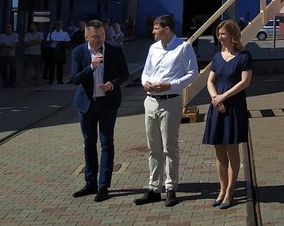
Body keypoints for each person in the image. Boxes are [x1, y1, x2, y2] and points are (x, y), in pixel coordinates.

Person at [134, 14, 198, 208]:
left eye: (156, 28)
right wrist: (146, 82)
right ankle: (154, 187)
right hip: (151, 101)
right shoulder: (153, 48)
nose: (153, 31)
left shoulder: (183, 47)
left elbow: (193, 73)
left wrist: (170, 85)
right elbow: (146, 70)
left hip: (170, 100)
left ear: (167, 29)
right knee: (153, 146)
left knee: (169, 146)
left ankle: (171, 187)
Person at [67, 20, 130, 202]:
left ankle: (103, 186)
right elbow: (74, 79)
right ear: (87, 36)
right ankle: (90, 183)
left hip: (108, 104)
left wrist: (113, 85)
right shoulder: (78, 52)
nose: (99, 39)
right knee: (89, 143)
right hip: (86, 105)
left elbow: (125, 74)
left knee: (106, 143)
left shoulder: (115, 49)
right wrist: (91, 67)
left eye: (102, 35)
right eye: (95, 37)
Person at [202, 20, 253, 209]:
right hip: (217, 106)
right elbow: (210, 81)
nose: (219, 37)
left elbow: (245, 82)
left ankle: (230, 192)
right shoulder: (217, 57)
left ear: (232, 35)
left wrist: (224, 96)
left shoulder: (244, 56)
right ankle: (222, 189)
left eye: (223, 33)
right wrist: (216, 98)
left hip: (234, 106)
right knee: (219, 151)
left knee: (232, 149)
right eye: (218, 33)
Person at [0, 23, 19, 87]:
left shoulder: (15, 35)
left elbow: (14, 45)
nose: (8, 28)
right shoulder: (1, 36)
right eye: (7, 27)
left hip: (11, 55)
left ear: (11, 28)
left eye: (9, 27)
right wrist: (9, 45)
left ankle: (12, 83)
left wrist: (5, 45)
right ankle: (5, 83)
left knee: (12, 69)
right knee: (3, 69)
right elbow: (1, 45)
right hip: (3, 55)